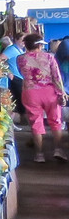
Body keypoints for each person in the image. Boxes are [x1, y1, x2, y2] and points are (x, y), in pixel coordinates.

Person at [17, 32, 68, 162]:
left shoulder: (20, 59)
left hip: (30, 93)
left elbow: (22, 73)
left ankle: (39, 155)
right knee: (56, 122)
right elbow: (56, 76)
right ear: (39, 45)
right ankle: (58, 150)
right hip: (50, 92)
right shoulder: (49, 57)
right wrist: (62, 93)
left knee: (36, 123)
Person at [1, 34, 25, 123]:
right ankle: (13, 122)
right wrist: (8, 72)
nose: (24, 42)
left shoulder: (19, 50)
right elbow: (0, 59)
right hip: (15, 78)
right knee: (16, 101)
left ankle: (18, 121)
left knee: (20, 100)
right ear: (16, 40)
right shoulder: (11, 49)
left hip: (20, 77)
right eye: (22, 40)